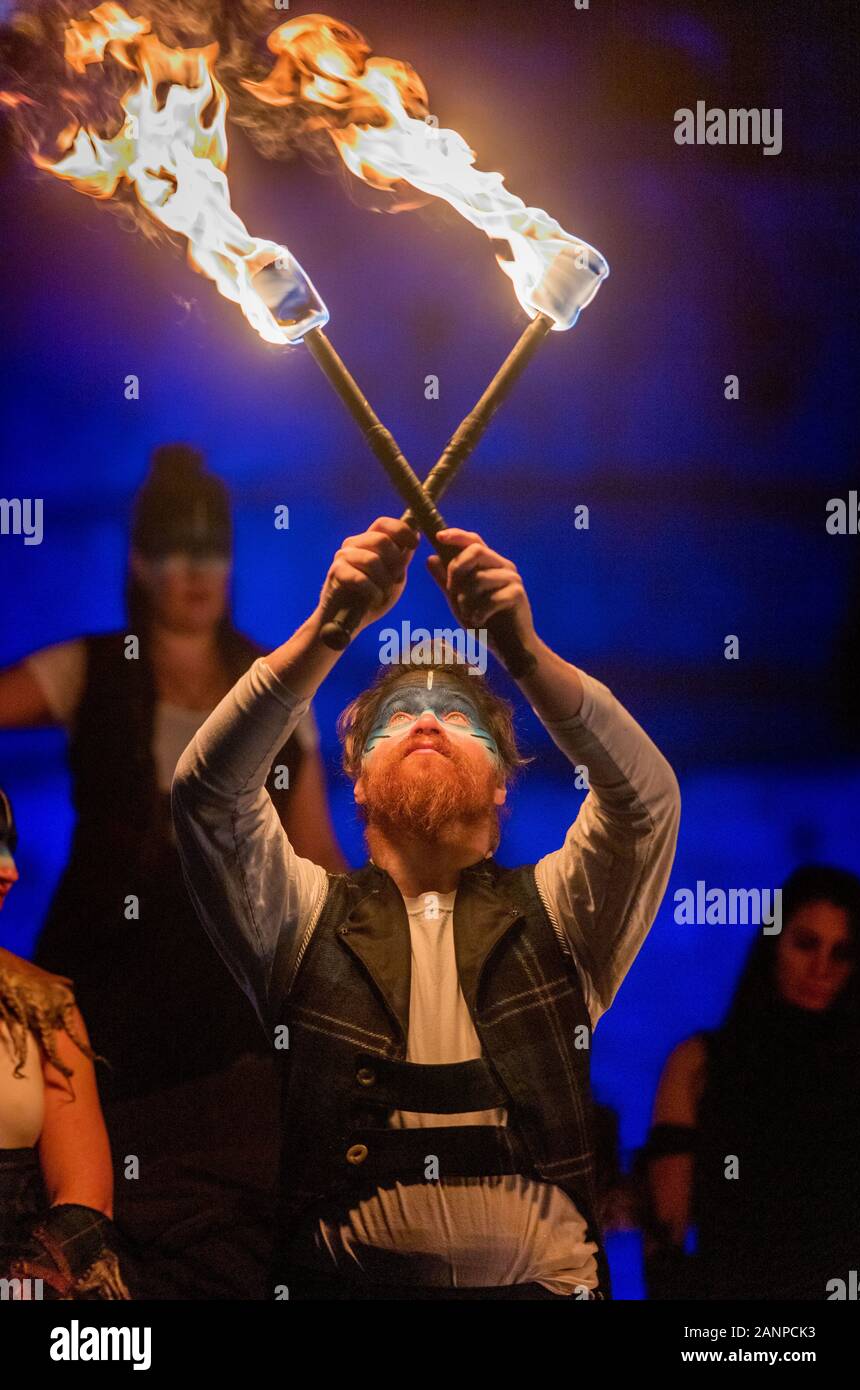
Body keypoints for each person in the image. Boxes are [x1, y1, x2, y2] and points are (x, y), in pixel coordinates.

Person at [172, 515, 681, 1299]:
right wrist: (329, 628)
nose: (430, 719)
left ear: (504, 781)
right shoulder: (301, 918)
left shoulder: (560, 912)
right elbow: (208, 796)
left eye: (464, 718)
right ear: (358, 778)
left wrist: (525, 655)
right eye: (395, 716)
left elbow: (644, 803)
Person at [0, 444, 346, 1298]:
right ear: (138, 561)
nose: (195, 571)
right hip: (100, 992)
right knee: (89, 1201)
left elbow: (316, 857)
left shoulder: (275, 686)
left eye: (213, 550)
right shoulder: (90, 667)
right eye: (173, 549)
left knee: (218, 1214)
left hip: (223, 1007)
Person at [640, 864, 860, 1300]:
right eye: (806, 944)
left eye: (842, 953)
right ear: (774, 944)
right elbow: (665, 1232)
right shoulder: (699, 1064)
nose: (822, 968)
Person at [0, 787, 130, 1299]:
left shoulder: (44, 1007)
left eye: (9, 846)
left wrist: (19, 1291)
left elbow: (86, 1202)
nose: (9, 870)